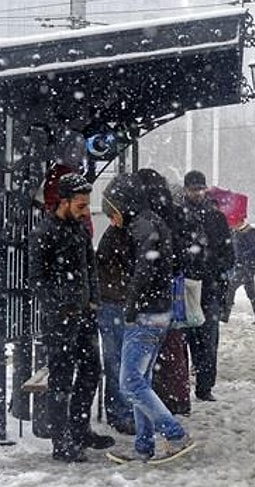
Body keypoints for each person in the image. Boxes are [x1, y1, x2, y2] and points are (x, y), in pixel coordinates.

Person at [102, 171, 194, 461]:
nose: (111, 220)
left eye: (111, 212)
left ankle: (175, 435)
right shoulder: (152, 222)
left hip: (146, 315)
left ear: (122, 205)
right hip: (157, 313)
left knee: (129, 381)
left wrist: (130, 304)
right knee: (142, 381)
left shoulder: (142, 226)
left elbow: (144, 270)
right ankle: (143, 446)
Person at [28, 172, 114, 462]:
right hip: (60, 320)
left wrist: (93, 301)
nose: (85, 211)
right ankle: (61, 440)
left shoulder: (79, 228)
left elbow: (90, 267)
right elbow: (36, 279)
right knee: (62, 380)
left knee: (91, 372)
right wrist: (62, 306)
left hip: (84, 315)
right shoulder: (44, 233)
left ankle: (79, 429)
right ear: (62, 202)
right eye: (80, 205)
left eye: (86, 205)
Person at [177, 170, 235, 401]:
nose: (198, 193)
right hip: (186, 286)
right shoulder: (177, 216)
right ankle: (184, 385)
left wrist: (211, 266)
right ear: (186, 190)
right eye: (194, 189)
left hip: (208, 287)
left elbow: (228, 255)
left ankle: (204, 385)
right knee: (185, 340)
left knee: (208, 341)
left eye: (201, 189)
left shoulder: (216, 218)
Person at [95, 204, 135, 436]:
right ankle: (120, 411)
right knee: (117, 360)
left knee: (117, 360)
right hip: (115, 301)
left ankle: (120, 410)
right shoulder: (120, 235)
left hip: (114, 300)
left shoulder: (117, 234)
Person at [225, 219, 255, 324]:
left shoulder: (250, 232)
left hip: (248, 266)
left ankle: (225, 315)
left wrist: (245, 255)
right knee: (251, 291)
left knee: (231, 287)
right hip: (241, 266)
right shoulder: (235, 233)